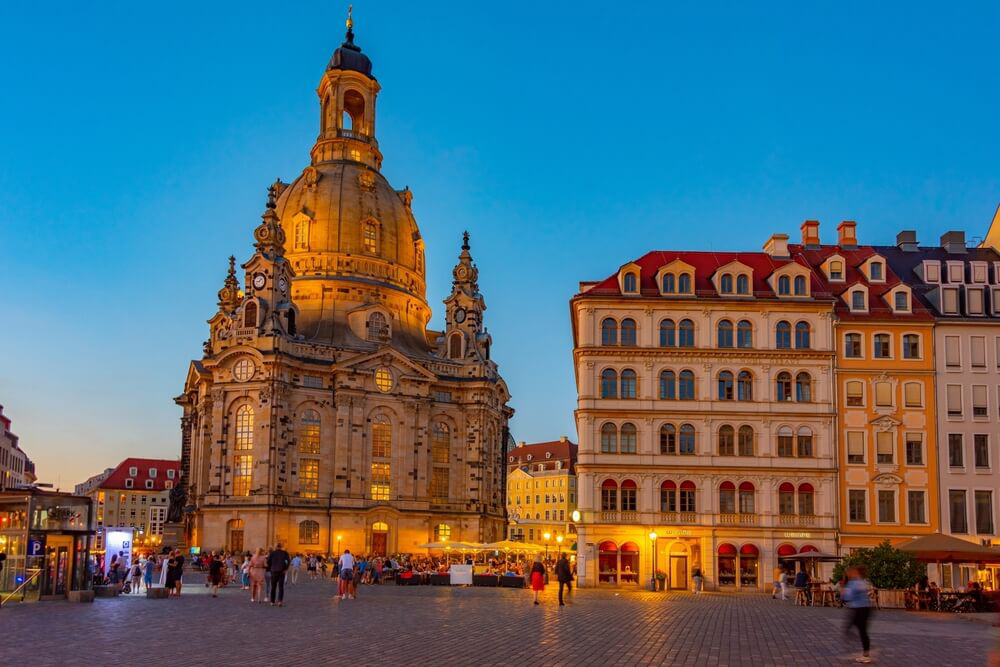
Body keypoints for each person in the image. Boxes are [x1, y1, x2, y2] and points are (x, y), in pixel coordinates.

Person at [842, 566, 873, 664]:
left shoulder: (853, 583)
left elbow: (847, 597)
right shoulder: (864, 582)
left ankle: (866, 656)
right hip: (866, 608)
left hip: (858, 609)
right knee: (861, 630)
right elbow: (869, 591)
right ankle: (865, 654)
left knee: (861, 630)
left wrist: (843, 591)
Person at [266, 542, 290, 607]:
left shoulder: (272, 553)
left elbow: (268, 562)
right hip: (282, 571)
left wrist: (270, 568)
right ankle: (280, 601)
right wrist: (285, 568)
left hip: (273, 571)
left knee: (273, 587)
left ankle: (272, 601)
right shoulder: (285, 553)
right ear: (281, 546)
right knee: (281, 587)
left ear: (275, 547)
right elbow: (288, 561)